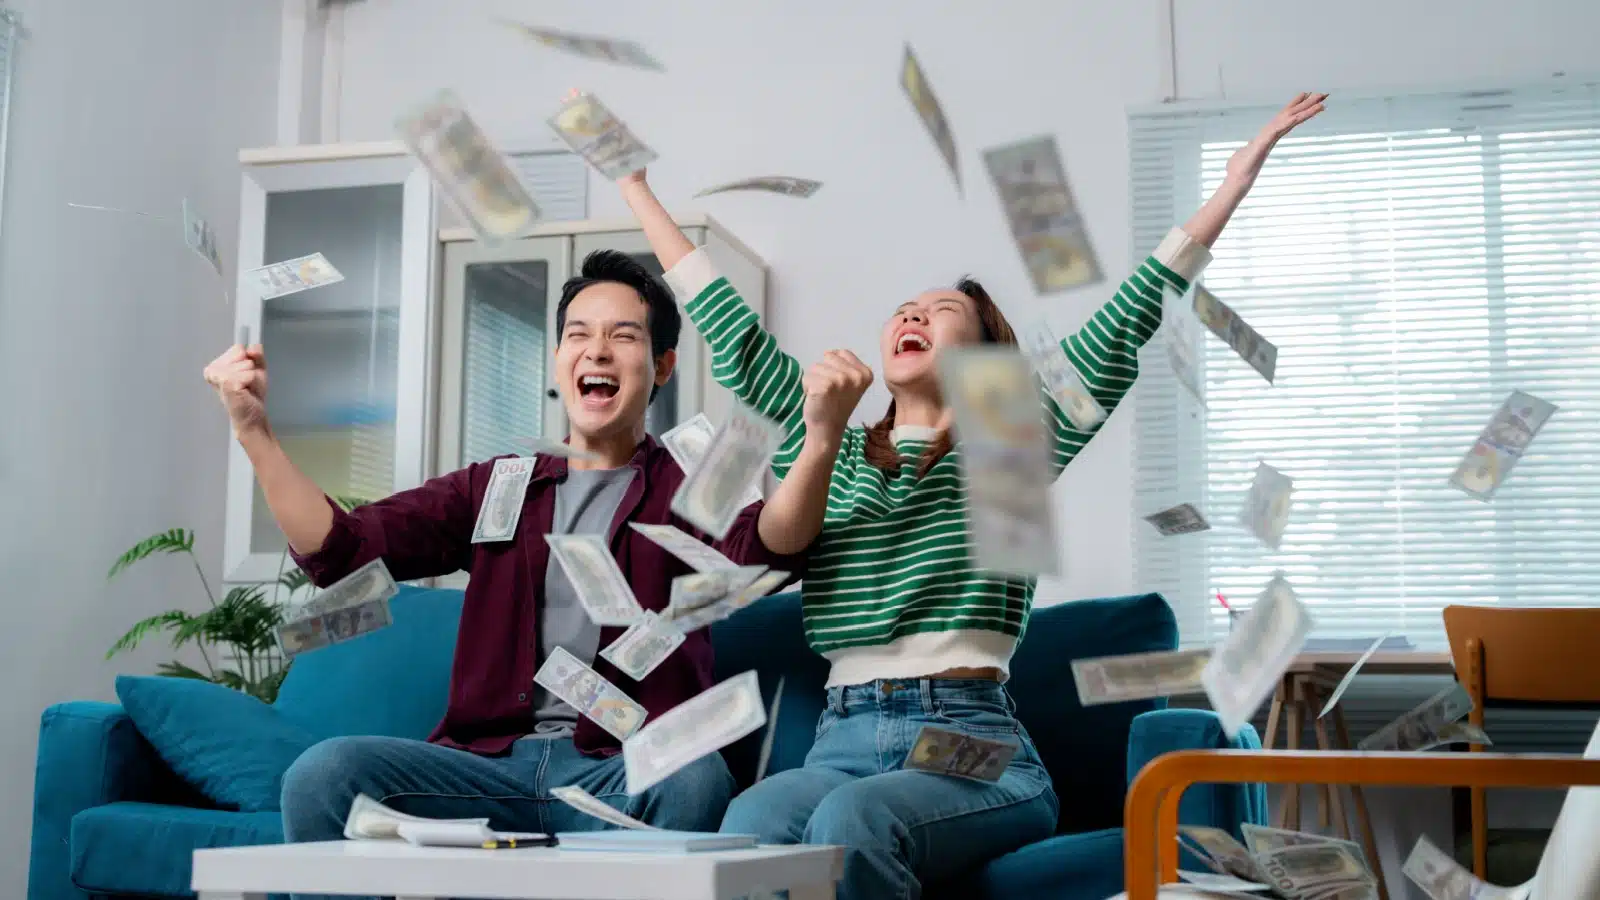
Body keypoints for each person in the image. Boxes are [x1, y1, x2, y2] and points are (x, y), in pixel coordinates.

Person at [618, 92, 1327, 899]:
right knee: (753, 826)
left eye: (941, 309)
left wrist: (1233, 182)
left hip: (970, 743)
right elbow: (735, 336)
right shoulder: (840, 442)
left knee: (854, 823)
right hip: (838, 739)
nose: (913, 312)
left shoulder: (1008, 449)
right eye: (905, 309)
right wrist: (636, 187)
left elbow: (1127, 315)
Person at [201, 249, 861, 854]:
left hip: (620, 767)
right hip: (483, 766)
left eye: (623, 336)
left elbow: (768, 552)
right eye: (578, 334)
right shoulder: (498, 485)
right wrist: (255, 433)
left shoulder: (695, 481)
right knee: (323, 774)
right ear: (557, 360)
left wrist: (821, 441)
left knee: (693, 779)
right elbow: (344, 552)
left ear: (662, 365)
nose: (596, 351)